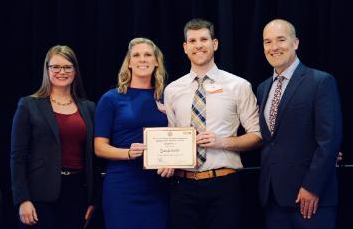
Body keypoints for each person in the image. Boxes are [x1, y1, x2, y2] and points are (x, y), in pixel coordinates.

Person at [164, 18, 262, 229]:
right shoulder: (172, 90)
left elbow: (257, 135)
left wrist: (222, 142)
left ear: (215, 44)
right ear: (185, 47)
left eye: (203, 39)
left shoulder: (239, 86)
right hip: (182, 186)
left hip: (224, 185)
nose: (198, 45)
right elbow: (170, 138)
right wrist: (165, 159)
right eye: (192, 41)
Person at [257, 19, 342, 228]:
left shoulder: (320, 81)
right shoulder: (263, 88)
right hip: (273, 199)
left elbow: (329, 140)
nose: (274, 47)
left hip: (311, 199)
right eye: (267, 42)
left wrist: (312, 187)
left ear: (295, 43)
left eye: (280, 40)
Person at [10, 45, 99, 228]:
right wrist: (22, 199)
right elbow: (17, 156)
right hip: (38, 194)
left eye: (67, 67)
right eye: (55, 67)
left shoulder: (89, 108)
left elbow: (94, 157)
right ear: (47, 69)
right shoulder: (28, 105)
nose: (62, 71)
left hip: (78, 193)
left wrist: (93, 199)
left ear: (75, 71)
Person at [94, 37, 173, 229]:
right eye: (136, 55)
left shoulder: (168, 97)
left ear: (156, 61)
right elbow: (99, 147)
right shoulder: (111, 98)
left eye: (147, 55)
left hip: (158, 186)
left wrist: (174, 161)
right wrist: (128, 153)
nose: (142, 59)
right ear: (129, 63)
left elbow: (177, 139)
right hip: (123, 186)